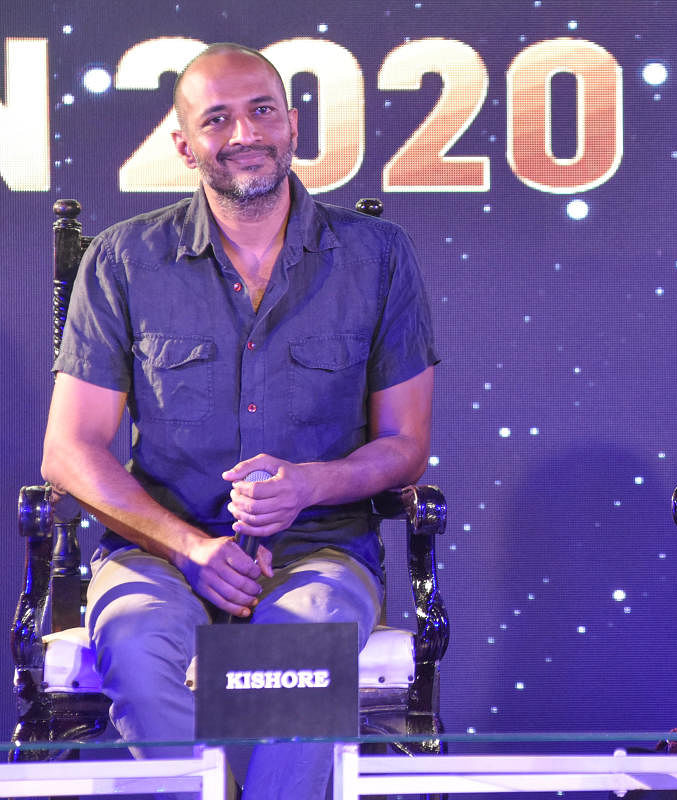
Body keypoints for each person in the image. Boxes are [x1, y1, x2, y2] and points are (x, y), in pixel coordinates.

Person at [40, 43, 437, 799]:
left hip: (318, 552)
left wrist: (310, 484)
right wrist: (191, 548)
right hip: (159, 554)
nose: (245, 132)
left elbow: (407, 446)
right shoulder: (124, 260)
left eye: (261, 110)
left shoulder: (378, 256)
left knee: (305, 639)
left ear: (292, 123)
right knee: (138, 639)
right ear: (185, 144)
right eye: (217, 119)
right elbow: (69, 448)